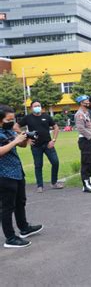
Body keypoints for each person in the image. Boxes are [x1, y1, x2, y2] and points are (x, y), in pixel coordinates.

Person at [0, 105, 43, 248]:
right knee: (7, 207)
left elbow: (22, 146)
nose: (12, 122)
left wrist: (25, 138)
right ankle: (10, 238)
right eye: (8, 119)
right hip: (4, 175)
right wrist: (15, 141)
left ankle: (24, 228)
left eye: (13, 119)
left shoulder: (8, 131)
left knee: (20, 202)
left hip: (17, 172)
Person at [14, 101, 62, 193]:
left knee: (55, 162)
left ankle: (54, 182)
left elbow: (56, 127)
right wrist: (26, 138)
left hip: (48, 144)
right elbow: (16, 127)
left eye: (39, 106)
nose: (37, 107)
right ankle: (40, 185)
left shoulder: (46, 117)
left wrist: (53, 140)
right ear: (31, 108)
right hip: (36, 146)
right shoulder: (28, 118)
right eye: (35, 106)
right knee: (38, 165)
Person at [74, 95, 91, 193]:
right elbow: (81, 129)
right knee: (86, 162)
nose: (88, 102)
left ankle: (89, 180)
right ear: (81, 103)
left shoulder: (86, 113)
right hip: (85, 140)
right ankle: (85, 185)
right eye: (86, 101)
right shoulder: (79, 114)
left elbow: (89, 126)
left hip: (90, 140)